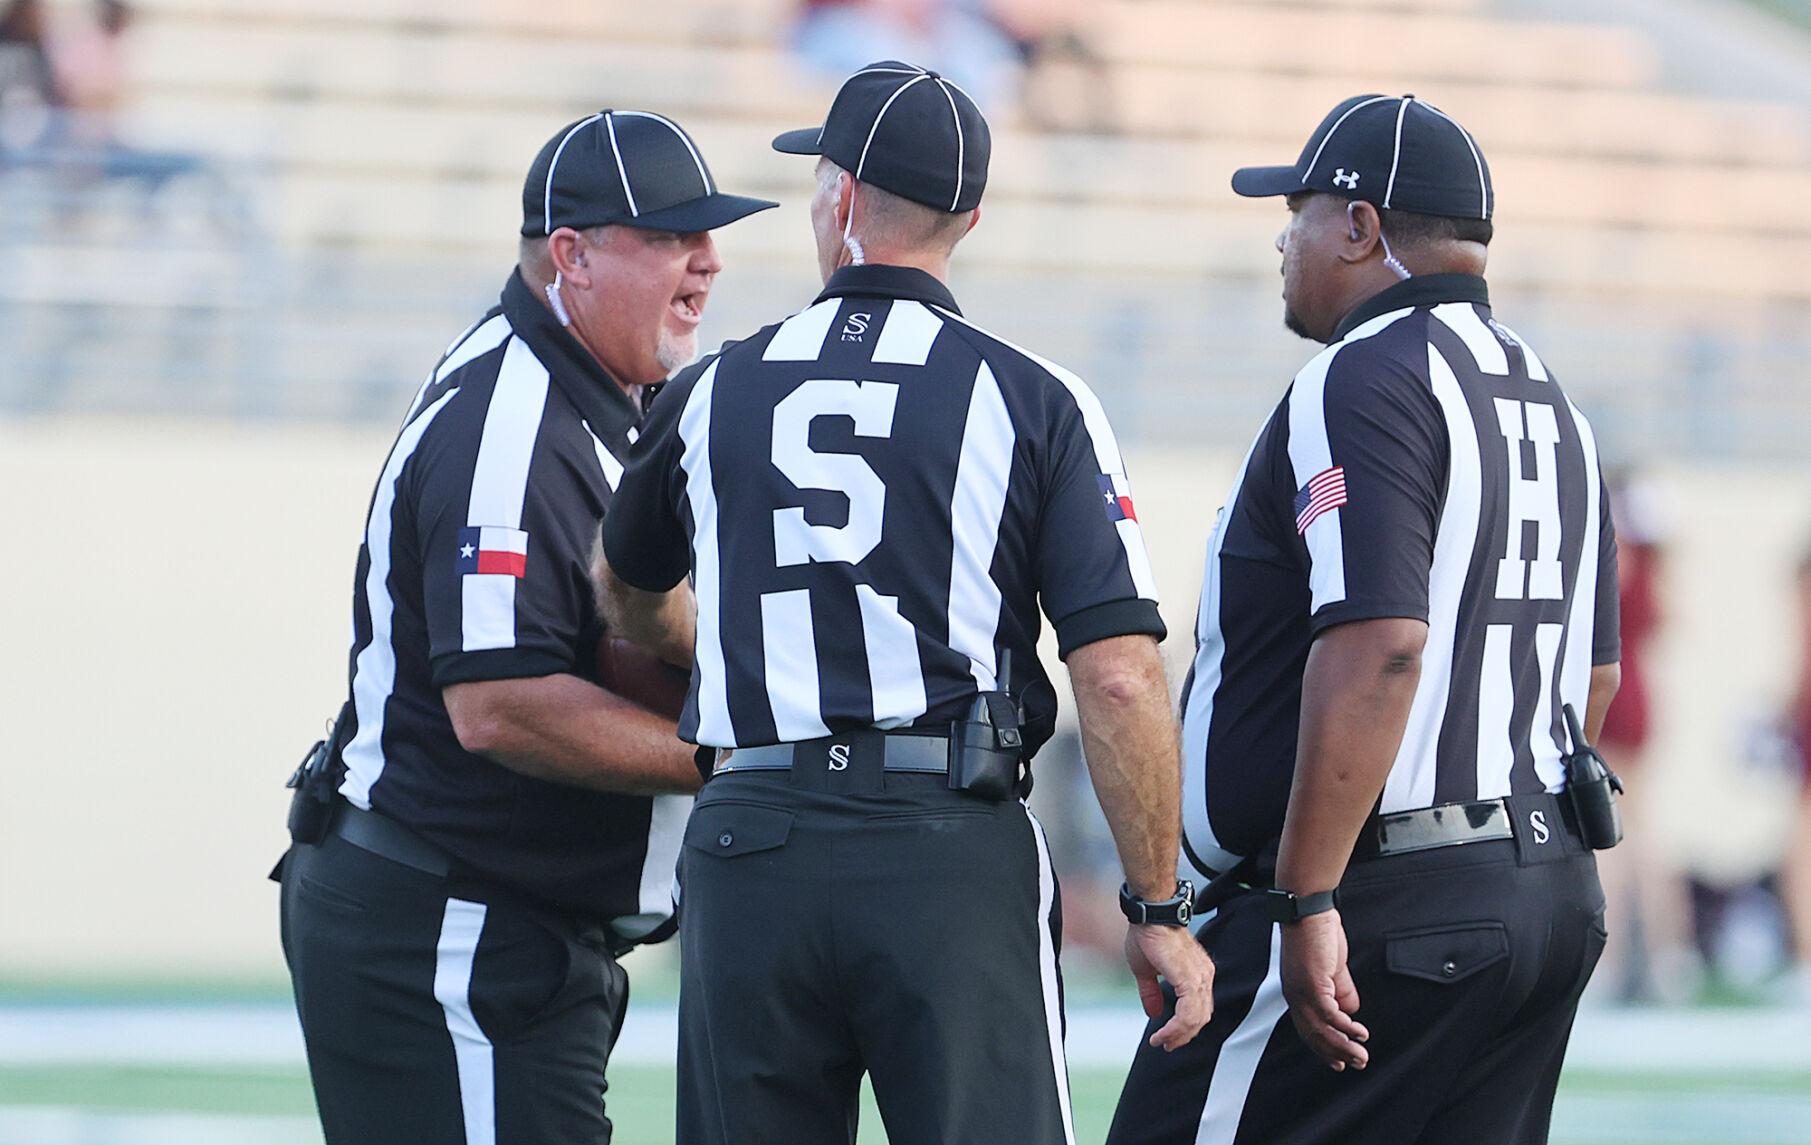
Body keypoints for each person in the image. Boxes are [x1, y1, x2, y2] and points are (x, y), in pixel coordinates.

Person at [597, 60, 1215, 1145]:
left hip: (752, 839)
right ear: (966, 216)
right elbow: (1115, 669)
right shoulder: (1033, 395)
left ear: (836, 198)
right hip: (945, 837)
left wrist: (718, 649)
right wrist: (1156, 905)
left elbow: (624, 592)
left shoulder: (709, 387)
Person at [1107, 94, 1621, 1145]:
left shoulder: (1362, 373)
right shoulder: (1548, 396)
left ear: (1359, 225)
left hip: (1385, 898)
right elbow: (1593, 676)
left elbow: (1381, 641)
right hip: (1544, 880)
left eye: (1296, 212)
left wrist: (1306, 895)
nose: (1280, 240)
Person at [274, 110, 775, 1145]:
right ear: (571, 255)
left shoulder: (607, 393)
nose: (708, 262)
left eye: (709, 235)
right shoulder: (509, 420)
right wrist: (721, 758)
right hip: (448, 924)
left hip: (499, 922)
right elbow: (498, 703)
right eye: (674, 236)